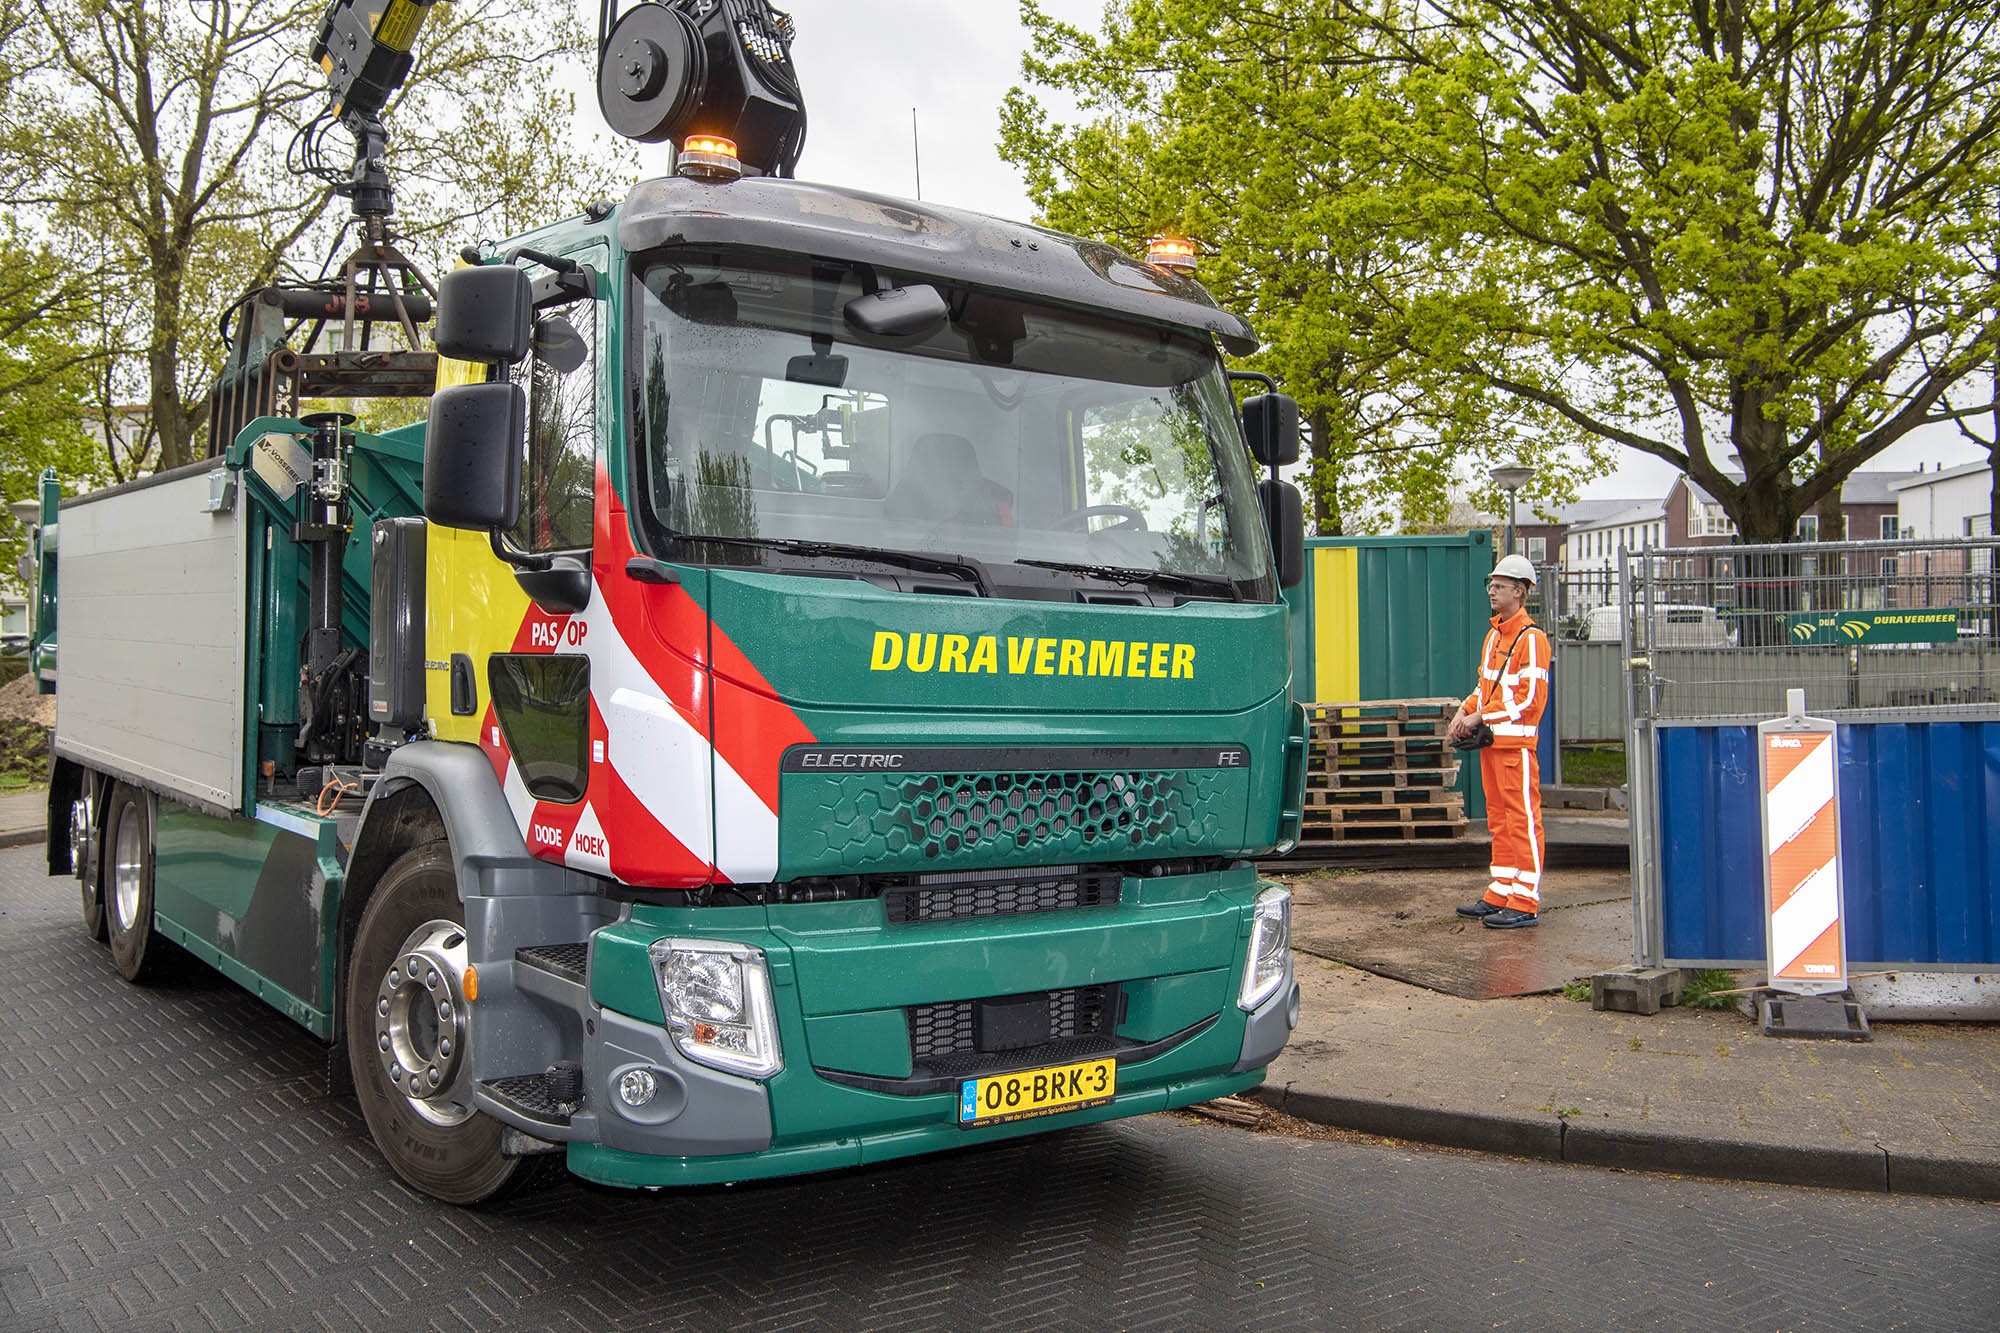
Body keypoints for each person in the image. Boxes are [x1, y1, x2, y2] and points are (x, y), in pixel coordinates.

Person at [1449, 553, 1551, 929]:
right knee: (1500, 821)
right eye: (1491, 584)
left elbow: (1528, 698)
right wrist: (1463, 712)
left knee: (1522, 822)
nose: (1492, 590)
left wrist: (1480, 716)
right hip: (1494, 746)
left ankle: (1525, 901)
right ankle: (1503, 891)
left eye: (1501, 586)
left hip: (1516, 750)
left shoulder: (1533, 639)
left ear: (1520, 593)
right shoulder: (1495, 636)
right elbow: (1485, 685)